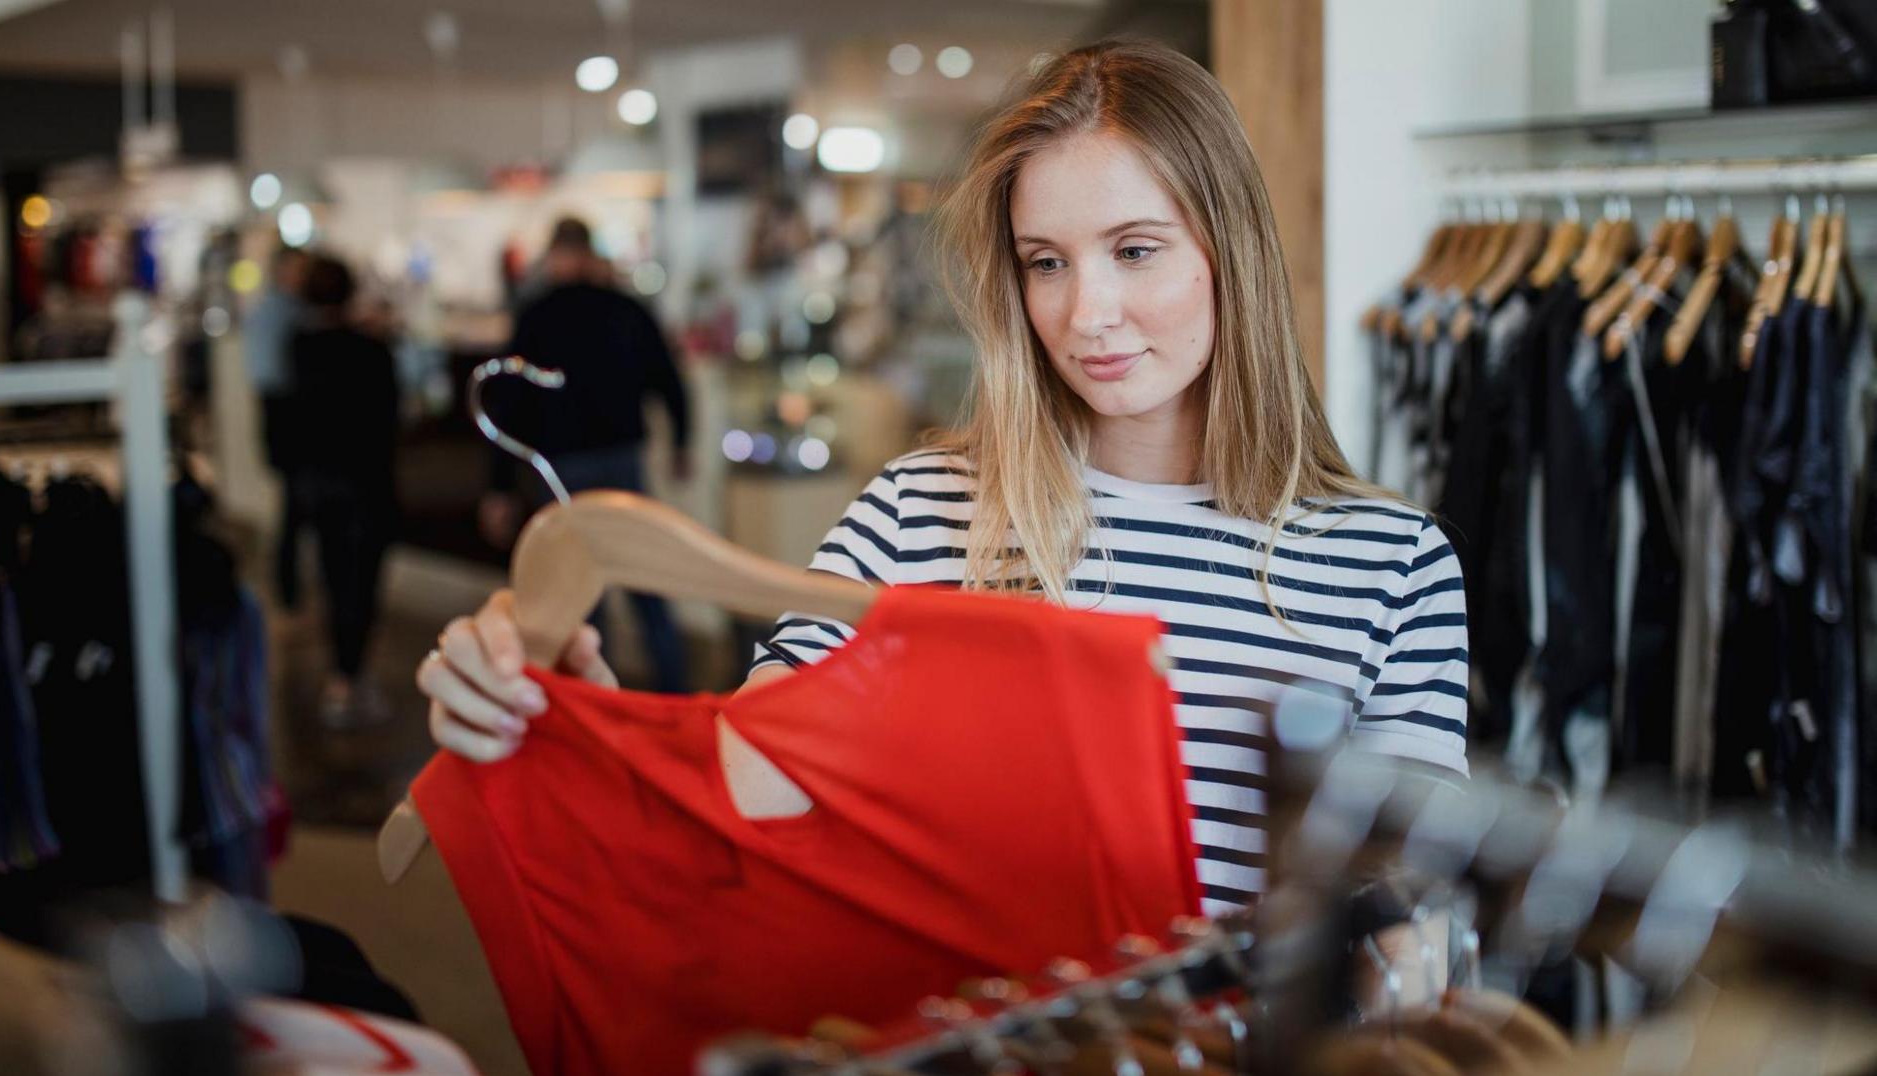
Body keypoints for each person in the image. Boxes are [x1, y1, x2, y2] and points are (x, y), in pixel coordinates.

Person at [418, 41, 1469, 914]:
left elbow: (1406, 927)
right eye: (1044, 262)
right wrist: (577, 719)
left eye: (1136, 250)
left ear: (1228, 252)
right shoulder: (918, 513)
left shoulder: (1389, 565)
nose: (1083, 313)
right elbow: (745, 787)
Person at [477, 216, 692, 693]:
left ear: (556, 256)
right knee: (646, 580)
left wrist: (498, 486)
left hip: (563, 467)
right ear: (591, 255)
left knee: (581, 594)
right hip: (623, 459)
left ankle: (597, 704)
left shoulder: (536, 315)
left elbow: (509, 404)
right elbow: (670, 380)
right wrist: (681, 442)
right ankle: (678, 698)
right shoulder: (626, 308)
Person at [289, 255, 400, 725]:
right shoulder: (373, 351)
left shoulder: (300, 349)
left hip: (322, 484)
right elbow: (392, 418)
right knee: (364, 584)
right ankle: (351, 677)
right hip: (368, 483)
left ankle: (341, 677)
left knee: (334, 582)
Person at [244, 246, 310, 610]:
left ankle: (290, 591)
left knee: (293, 509)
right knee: (292, 509)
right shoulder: (276, 312)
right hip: (285, 416)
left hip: (284, 415)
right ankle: (288, 592)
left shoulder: (284, 310)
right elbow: (272, 377)